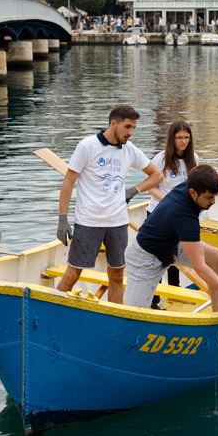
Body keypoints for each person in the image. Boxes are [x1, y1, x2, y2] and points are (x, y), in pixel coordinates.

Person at [55, 105, 163, 304]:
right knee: (73, 273)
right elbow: (68, 182)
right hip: (89, 221)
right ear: (113, 124)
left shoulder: (129, 150)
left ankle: (116, 316)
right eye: (127, 127)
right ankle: (50, 309)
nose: (130, 133)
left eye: (133, 128)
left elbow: (157, 175)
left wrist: (134, 190)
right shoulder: (87, 146)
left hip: (118, 222)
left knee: (116, 276)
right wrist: (63, 219)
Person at [123, 164, 218, 311]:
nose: (213, 202)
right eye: (209, 198)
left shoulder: (196, 183)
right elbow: (200, 267)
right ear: (192, 192)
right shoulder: (184, 216)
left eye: (215, 196)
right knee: (134, 313)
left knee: (215, 256)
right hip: (145, 258)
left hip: (171, 247)